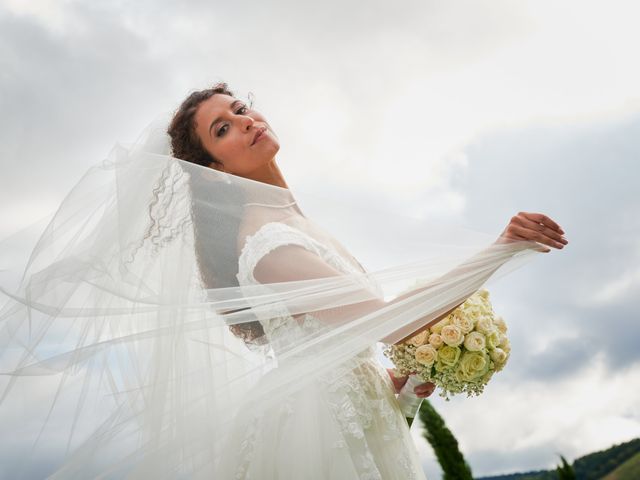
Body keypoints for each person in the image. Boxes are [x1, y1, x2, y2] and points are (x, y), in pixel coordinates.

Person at [0, 83, 566, 479]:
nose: (246, 120)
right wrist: (497, 251)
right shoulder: (267, 242)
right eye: (224, 128)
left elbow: (355, 336)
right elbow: (386, 320)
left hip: (354, 413)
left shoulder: (295, 220)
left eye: (240, 108)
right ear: (213, 169)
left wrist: (398, 389)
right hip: (313, 427)